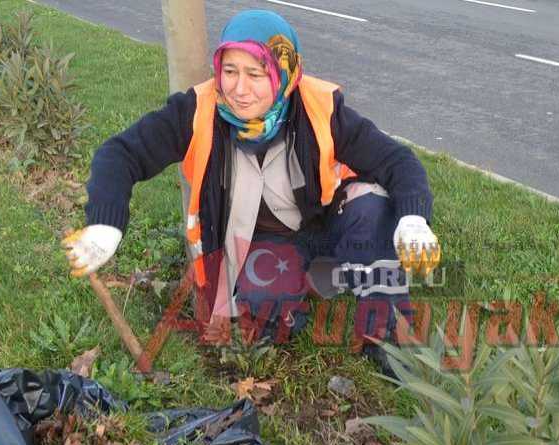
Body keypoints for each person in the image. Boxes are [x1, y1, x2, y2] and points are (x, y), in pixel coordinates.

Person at [63, 9, 439, 369]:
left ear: (282, 72)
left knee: (373, 212)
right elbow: (122, 153)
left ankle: (387, 338)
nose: (239, 89)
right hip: (270, 241)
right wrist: (106, 224)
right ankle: (308, 284)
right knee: (268, 311)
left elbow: (396, 160)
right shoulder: (197, 111)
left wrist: (414, 219)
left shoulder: (320, 107)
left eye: (255, 74)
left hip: (327, 220)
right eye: (229, 71)